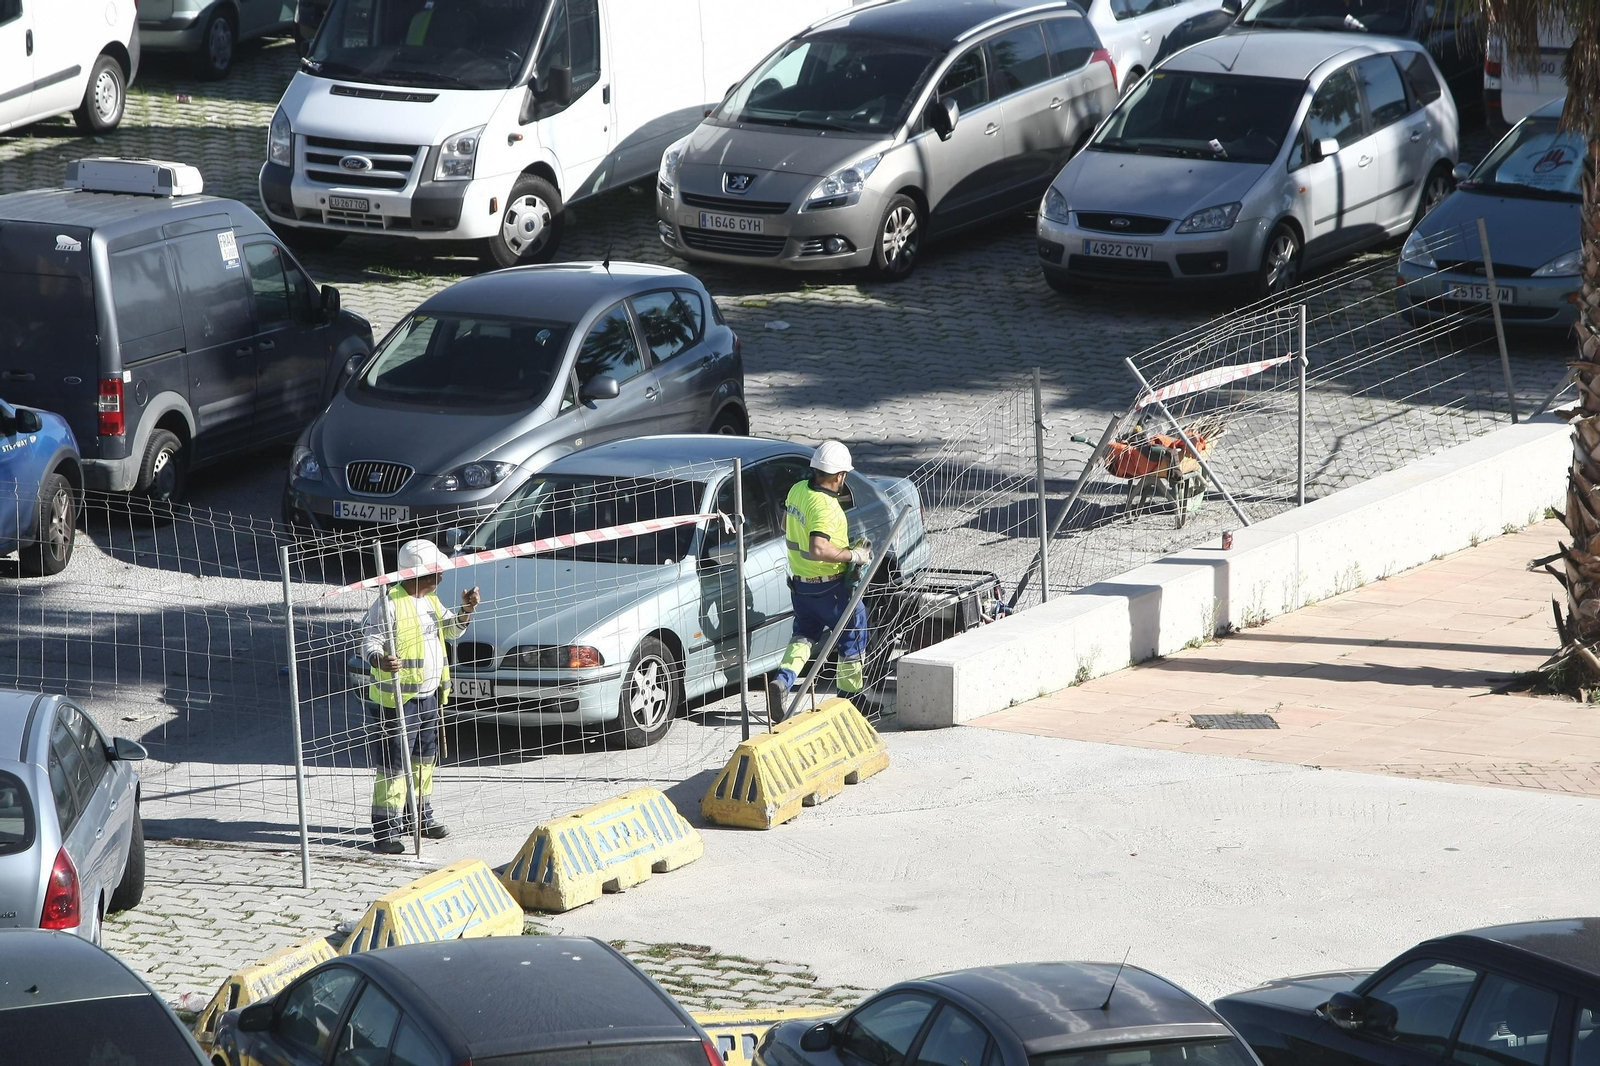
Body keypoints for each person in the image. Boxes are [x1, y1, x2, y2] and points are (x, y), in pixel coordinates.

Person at [362, 539, 480, 854]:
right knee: (394, 765)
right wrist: (380, 660)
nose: (441, 576)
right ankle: (385, 830)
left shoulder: (431, 601)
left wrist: (465, 612)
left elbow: (452, 630)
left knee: (424, 761)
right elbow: (370, 640)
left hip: (428, 697)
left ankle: (420, 818)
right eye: (436, 571)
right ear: (416, 574)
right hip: (398, 702)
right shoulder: (389, 604)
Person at [767, 441, 875, 721]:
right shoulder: (827, 507)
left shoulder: (798, 490)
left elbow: (785, 526)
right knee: (853, 628)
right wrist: (853, 555)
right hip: (830, 587)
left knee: (804, 635)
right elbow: (818, 548)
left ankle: (784, 679)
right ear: (840, 475)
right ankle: (850, 698)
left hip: (801, 586)